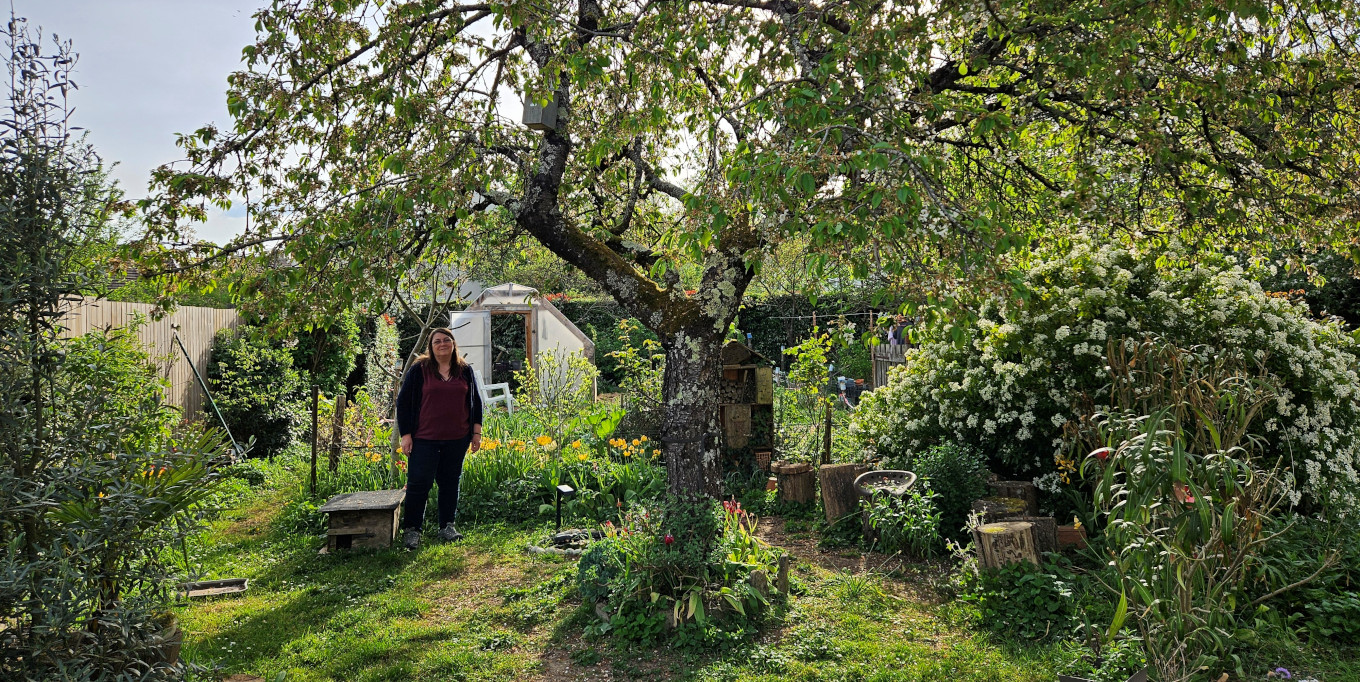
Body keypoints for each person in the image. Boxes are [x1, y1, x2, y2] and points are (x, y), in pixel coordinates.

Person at [396, 327, 483, 549]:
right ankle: (412, 530)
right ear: (431, 346)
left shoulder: (464, 370)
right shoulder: (419, 370)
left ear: (453, 344)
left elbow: (476, 402)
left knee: (450, 483)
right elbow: (403, 403)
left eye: (447, 340)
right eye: (437, 341)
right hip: (424, 439)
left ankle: (447, 527)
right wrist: (406, 435)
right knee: (418, 484)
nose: (442, 344)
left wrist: (476, 433)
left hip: (457, 439)